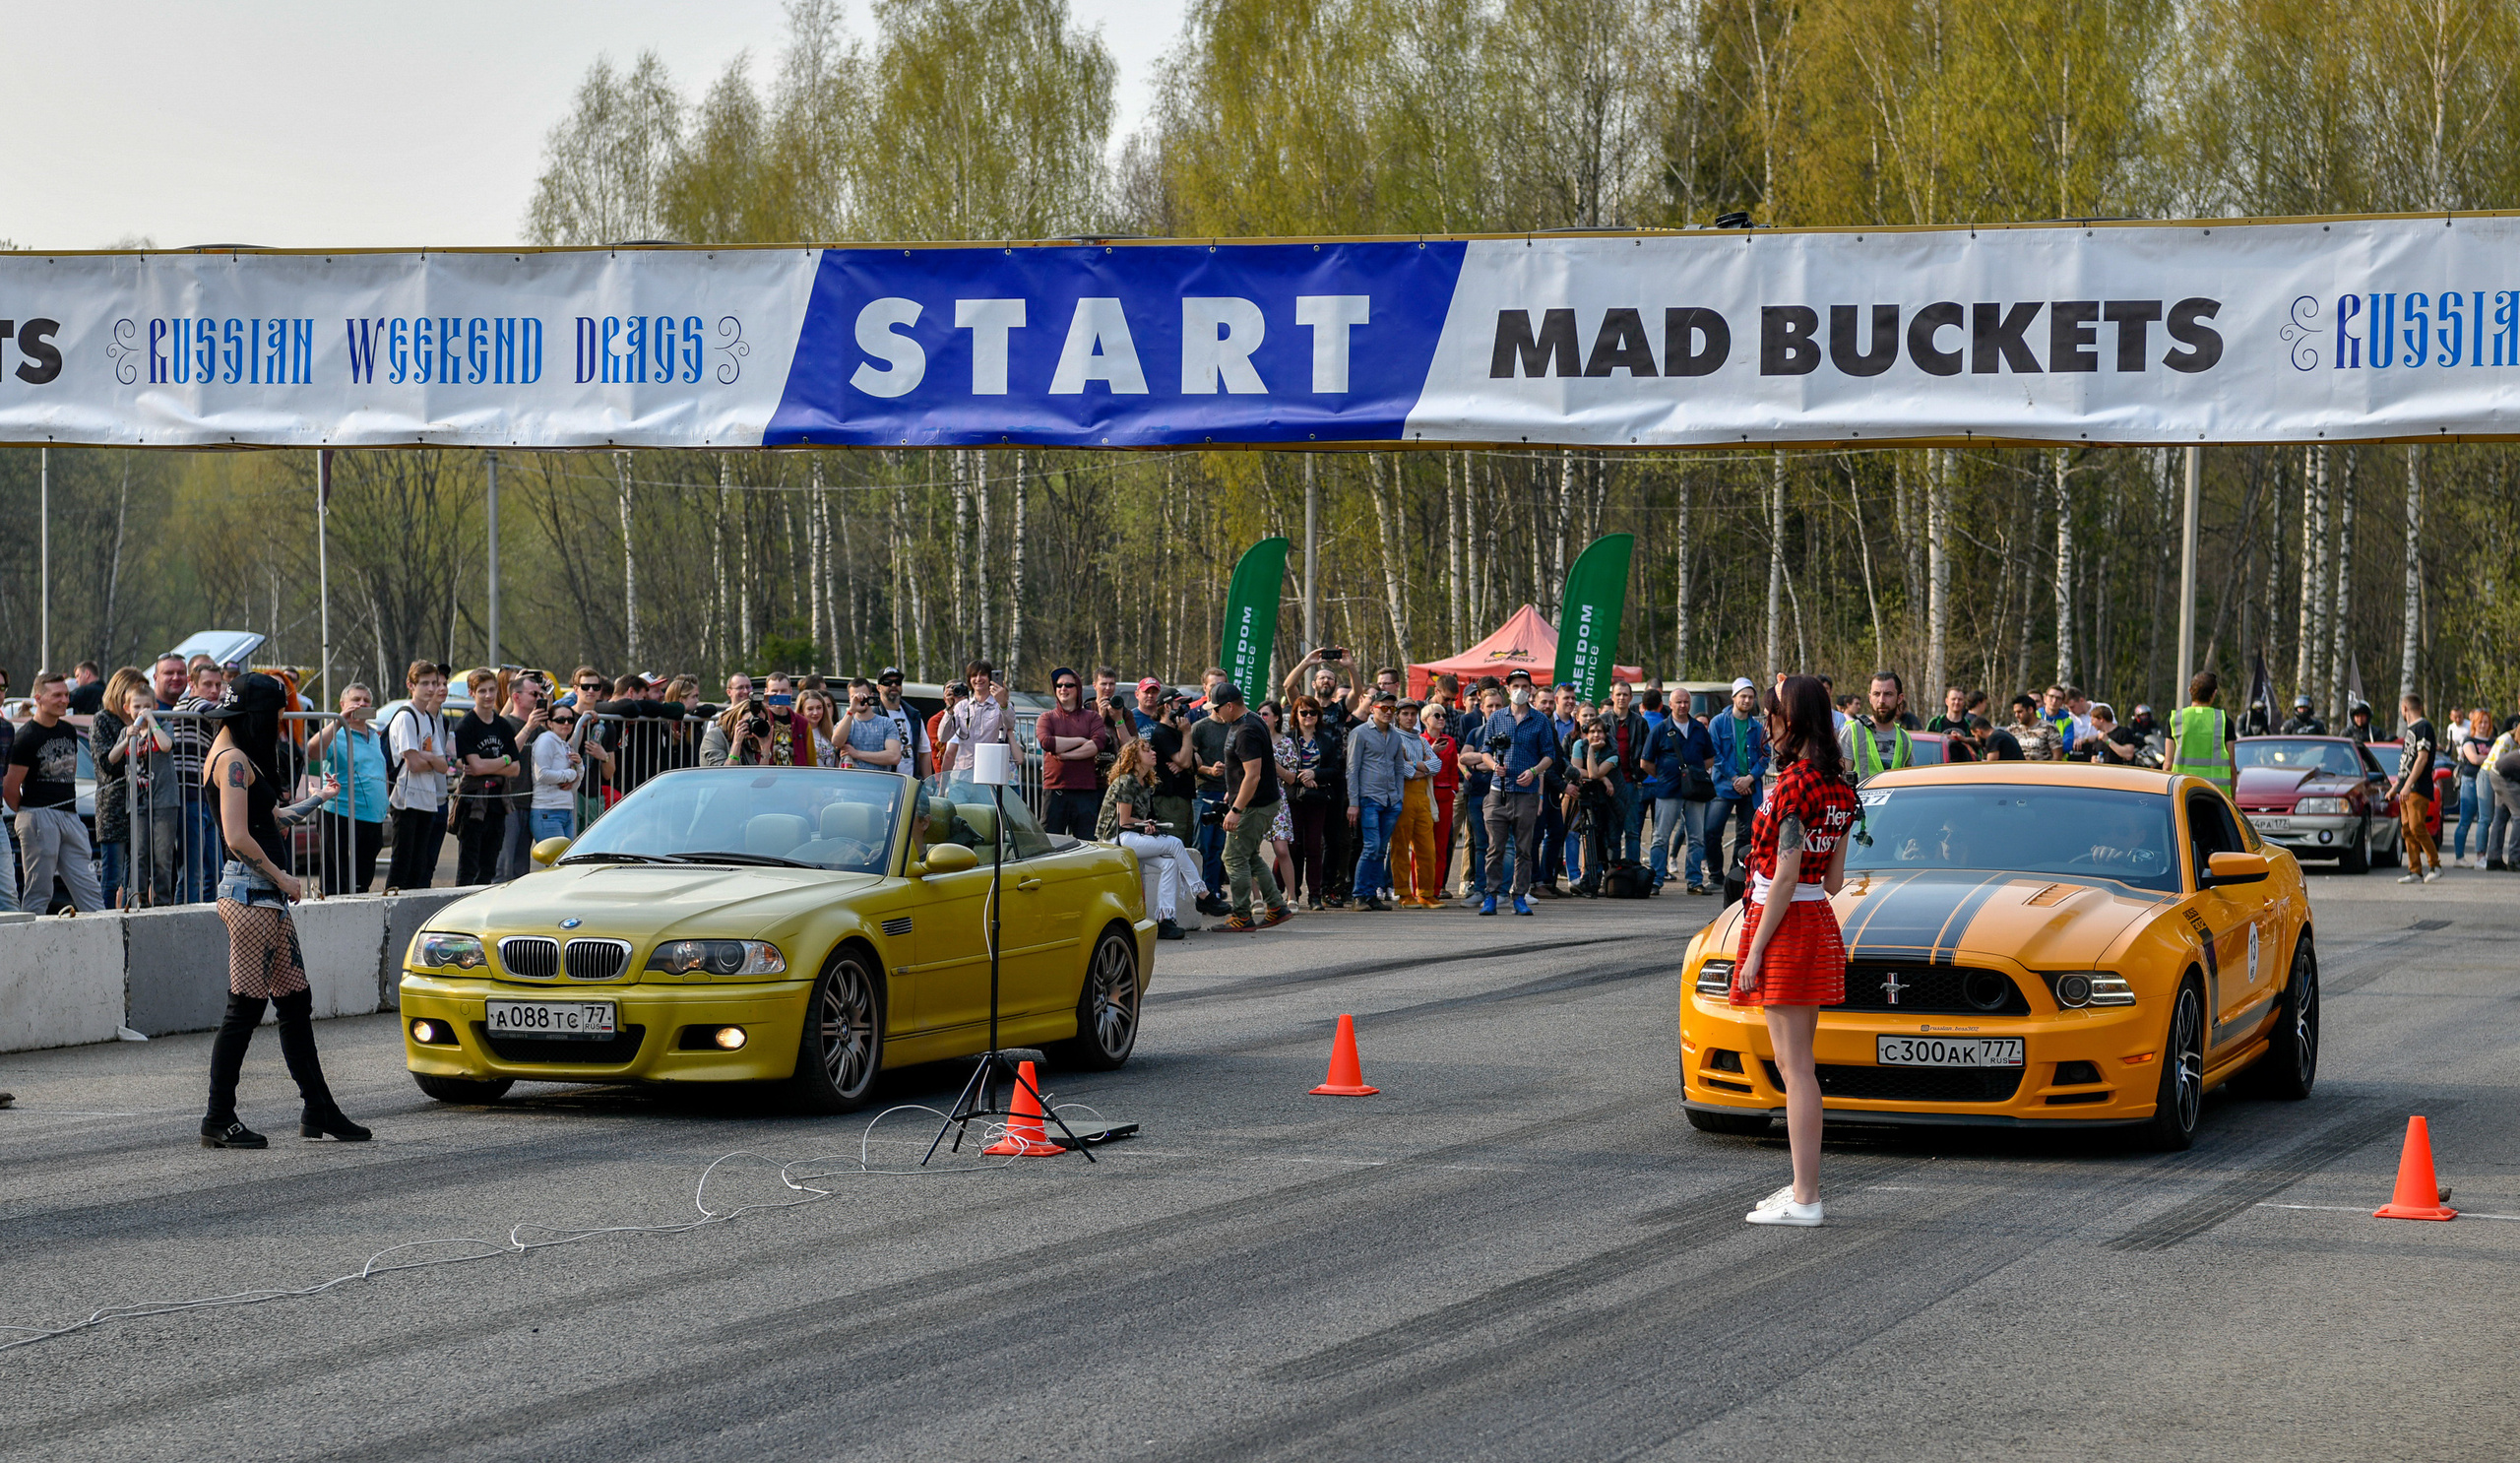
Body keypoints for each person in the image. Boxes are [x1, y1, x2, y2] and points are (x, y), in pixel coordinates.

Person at [195, 672, 368, 1149]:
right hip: (251, 895)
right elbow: (236, 836)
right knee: (244, 1009)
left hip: (263, 897)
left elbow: (271, 817)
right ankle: (218, 1117)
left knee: (295, 1003)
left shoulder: (236, 754)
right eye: (273, 717)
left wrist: (319, 799)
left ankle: (319, 1108)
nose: (275, 727)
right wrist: (284, 877)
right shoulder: (231, 760)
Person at [1732, 675, 1861, 1229]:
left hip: (1782, 922)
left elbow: (1784, 875)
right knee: (1797, 1066)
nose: (1768, 724)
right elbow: (1831, 880)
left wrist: (1755, 950)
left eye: (1775, 714)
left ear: (1794, 720)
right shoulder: (1839, 786)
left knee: (1796, 1068)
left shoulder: (1793, 785)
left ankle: (1806, 1196)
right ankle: (1802, 1184)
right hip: (1815, 919)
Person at [7, 670, 102, 913]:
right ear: (38, 698)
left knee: (89, 885)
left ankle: (105, 936)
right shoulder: (26, 737)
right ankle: (30, 943)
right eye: (57, 695)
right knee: (39, 889)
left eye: (66, 695)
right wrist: (32, 813)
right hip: (38, 815)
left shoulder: (68, 731)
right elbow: (10, 787)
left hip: (70, 815)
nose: (64, 700)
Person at [1098, 737, 1203, 940]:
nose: (1153, 753)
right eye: (1146, 751)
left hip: (1130, 835)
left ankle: (1165, 918)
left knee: (1169, 863)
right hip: (1115, 838)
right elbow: (1125, 821)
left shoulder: (1144, 782)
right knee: (1174, 843)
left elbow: (1135, 821)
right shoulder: (1126, 780)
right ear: (1135, 758)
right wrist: (1144, 824)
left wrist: (1148, 825)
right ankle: (1200, 891)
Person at [1212, 683, 1292, 931]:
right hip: (1262, 802)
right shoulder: (1253, 719)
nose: (1216, 713)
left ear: (1229, 705)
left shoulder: (1246, 730)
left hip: (1253, 806)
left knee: (1233, 857)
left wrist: (1236, 810)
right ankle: (1277, 907)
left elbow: (1253, 775)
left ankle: (1242, 915)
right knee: (1249, 855)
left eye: (1217, 708)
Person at [1480, 676, 1558, 916]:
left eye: (1525, 687)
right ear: (1508, 689)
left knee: (1524, 849)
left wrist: (1534, 771)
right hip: (1498, 792)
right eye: (1516, 687)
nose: (1520, 691)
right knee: (1495, 847)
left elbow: (1549, 755)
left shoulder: (1540, 721)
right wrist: (1494, 766)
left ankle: (1519, 896)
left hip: (1526, 793)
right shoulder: (1496, 717)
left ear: (1530, 690)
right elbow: (1485, 751)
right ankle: (1491, 896)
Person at [305, 682, 389, 895]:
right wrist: (339, 720)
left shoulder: (375, 736)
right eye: (356, 700)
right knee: (337, 877)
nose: (361, 704)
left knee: (363, 878)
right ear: (343, 704)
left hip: (372, 816)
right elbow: (312, 751)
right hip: (339, 813)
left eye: (366, 701)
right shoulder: (336, 733)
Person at [450, 669, 523, 886]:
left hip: (498, 801)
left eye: (492, 690)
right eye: (482, 691)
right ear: (472, 692)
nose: (489, 695)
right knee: (469, 867)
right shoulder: (467, 725)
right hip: (473, 803)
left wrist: (504, 763)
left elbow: (516, 769)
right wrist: (506, 760)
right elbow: (477, 768)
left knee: (489, 867)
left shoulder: (503, 726)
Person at [385, 662, 454, 891]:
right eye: (424, 683)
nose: (431, 688)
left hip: (426, 798)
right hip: (406, 800)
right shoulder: (407, 716)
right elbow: (413, 764)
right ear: (411, 685)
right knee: (402, 864)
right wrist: (429, 759)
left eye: (434, 683)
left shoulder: (429, 718)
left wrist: (428, 758)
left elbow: (443, 766)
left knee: (419, 865)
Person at [1346, 692, 1415, 912]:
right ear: (1373, 708)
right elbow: (1352, 769)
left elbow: (1398, 768)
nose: (1387, 712)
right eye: (1383, 708)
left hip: (1391, 800)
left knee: (1381, 849)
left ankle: (1371, 895)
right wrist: (1353, 802)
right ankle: (1359, 895)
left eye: (1391, 709)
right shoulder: (1360, 733)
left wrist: (1399, 798)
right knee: (1371, 846)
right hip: (1369, 799)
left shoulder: (1395, 736)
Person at [116, 674, 181, 906]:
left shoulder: (164, 726)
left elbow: (166, 745)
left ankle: (163, 902)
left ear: (154, 706)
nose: (142, 711)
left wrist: (152, 722)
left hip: (164, 800)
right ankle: (140, 901)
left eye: (147, 706)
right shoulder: (127, 731)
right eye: (137, 707)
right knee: (140, 854)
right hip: (138, 802)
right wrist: (127, 740)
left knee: (162, 856)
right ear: (127, 708)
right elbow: (113, 757)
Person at [1644, 689, 1716, 894]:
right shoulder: (1660, 729)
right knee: (1660, 837)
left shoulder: (1699, 729)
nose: (1683, 706)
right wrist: (1665, 775)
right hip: (1668, 790)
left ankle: (1694, 881)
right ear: (1670, 704)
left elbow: (1710, 757)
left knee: (1696, 837)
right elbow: (1645, 762)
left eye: (1686, 702)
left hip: (1695, 792)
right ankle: (1656, 880)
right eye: (1679, 702)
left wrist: (1692, 775)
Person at [89, 667, 147, 909]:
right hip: (113, 808)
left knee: (137, 875)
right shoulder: (103, 719)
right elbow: (104, 763)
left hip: (141, 807)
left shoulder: (143, 722)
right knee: (112, 878)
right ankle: (108, 925)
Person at [1035, 668, 1114, 838]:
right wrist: (1080, 740)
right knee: (1051, 843)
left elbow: (1098, 744)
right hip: (1055, 789)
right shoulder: (1047, 717)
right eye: (1059, 685)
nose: (1063, 689)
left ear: (1077, 688)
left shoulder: (1092, 717)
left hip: (1085, 790)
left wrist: (1066, 755)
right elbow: (1047, 742)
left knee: (1087, 844)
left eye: (1069, 685)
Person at [1707, 677, 1768, 898]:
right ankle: (1715, 875)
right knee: (1712, 830)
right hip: (1724, 786)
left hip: (1750, 788)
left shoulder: (1757, 727)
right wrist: (1736, 779)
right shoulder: (1718, 723)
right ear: (1734, 697)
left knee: (1745, 834)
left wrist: (1749, 778)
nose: (1747, 700)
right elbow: (1716, 754)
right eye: (1743, 696)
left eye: (1751, 697)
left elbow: (1764, 756)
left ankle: (1735, 874)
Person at [1284, 696, 1341, 910]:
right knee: (1294, 846)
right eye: (1303, 712)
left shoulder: (1326, 739)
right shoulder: (1288, 739)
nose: (1308, 717)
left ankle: (1315, 896)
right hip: (1293, 798)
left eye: (1313, 712)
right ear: (1295, 715)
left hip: (1318, 799)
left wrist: (1315, 774)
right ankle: (1293, 892)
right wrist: (1303, 777)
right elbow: (1281, 767)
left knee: (1314, 848)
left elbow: (1335, 769)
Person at [495, 674, 552, 882]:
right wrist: (527, 728)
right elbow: (506, 758)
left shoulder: (541, 729)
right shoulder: (504, 724)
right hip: (507, 802)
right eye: (533, 694)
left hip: (531, 803)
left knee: (521, 869)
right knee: (503, 867)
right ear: (516, 697)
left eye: (540, 694)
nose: (538, 698)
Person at [1390, 700, 1445, 907]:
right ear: (1398, 716)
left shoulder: (1421, 741)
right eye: (1405, 714)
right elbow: (1400, 768)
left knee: (1427, 849)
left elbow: (1437, 764)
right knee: (1400, 847)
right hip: (1402, 796)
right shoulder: (1394, 738)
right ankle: (1404, 892)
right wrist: (1418, 769)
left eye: (1413, 714)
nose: (1410, 718)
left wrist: (1414, 765)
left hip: (1423, 797)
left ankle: (1426, 893)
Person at [1564, 718, 1624, 896]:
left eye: (1599, 731)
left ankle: (1612, 879)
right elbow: (1576, 770)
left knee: (1612, 840)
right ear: (1585, 733)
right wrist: (1603, 778)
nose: (1596, 735)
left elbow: (1592, 773)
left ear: (1606, 733)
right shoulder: (1579, 745)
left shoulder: (1612, 750)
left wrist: (1591, 755)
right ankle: (1591, 877)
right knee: (1590, 837)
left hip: (1612, 800)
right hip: (1591, 796)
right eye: (1592, 732)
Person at [1188, 686, 1236, 912]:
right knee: (1202, 846)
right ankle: (1200, 894)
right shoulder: (1199, 728)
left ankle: (1214, 892)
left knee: (1219, 847)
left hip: (1230, 793)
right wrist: (1209, 769)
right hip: (1205, 792)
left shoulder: (1236, 727)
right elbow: (1190, 762)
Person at [2392, 693, 2442, 884]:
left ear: (2405, 709)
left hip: (2417, 788)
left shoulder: (2423, 727)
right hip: (2405, 788)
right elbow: (2407, 762)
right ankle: (2415, 870)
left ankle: (2435, 865)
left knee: (2417, 827)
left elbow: (2422, 758)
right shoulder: (2410, 731)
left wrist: (2408, 785)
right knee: (2406, 829)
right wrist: (2396, 787)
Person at [2165, 671, 2235, 796]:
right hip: (2217, 795)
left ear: (2190, 690)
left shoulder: (2175, 719)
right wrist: (2232, 803)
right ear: (2214, 693)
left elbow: (2168, 765)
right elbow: (2232, 768)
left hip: (2182, 792)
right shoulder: (2224, 721)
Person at [1838, 670, 1916, 782]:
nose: (1881, 701)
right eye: (1876, 694)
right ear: (1870, 698)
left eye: (1888, 694)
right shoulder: (1852, 731)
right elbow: (1841, 781)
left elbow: (1908, 783)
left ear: (1899, 698)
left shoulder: (1905, 739)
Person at [941, 660, 1014, 778]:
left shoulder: (1001, 705)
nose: (978, 679)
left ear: (990, 678)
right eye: (974, 675)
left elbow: (1010, 724)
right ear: (969, 679)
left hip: (988, 775)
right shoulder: (962, 706)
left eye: (983, 675)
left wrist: (1003, 703)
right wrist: (949, 709)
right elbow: (943, 737)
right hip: (962, 775)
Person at [1258, 701, 1299, 894]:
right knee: (1250, 851)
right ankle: (1257, 898)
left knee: (1282, 850)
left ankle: (1291, 896)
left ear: (1276, 717)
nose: (1261, 718)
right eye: (1258, 714)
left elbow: (1291, 778)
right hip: (1253, 797)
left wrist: (1273, 765)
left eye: (1265, 714)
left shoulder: (1286, 743)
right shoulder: (1252, 740)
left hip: (1276, 798)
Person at [531, 699, 582, 843]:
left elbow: (575, 784)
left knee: (564, 861)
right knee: (555, 861)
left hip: (566, 809)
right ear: (550, 723)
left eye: (570, 720)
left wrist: (579, 766)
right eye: (560, 720)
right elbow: (542, 774)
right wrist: (570, 774)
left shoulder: (564, 745)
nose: (566, 723)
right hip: (547, 810)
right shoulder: (546, 740)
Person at [873, 668, 931, 779]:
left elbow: (924, 751)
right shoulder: (874, 715)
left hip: (910, 783)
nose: (893, 685)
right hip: (884, 782)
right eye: (887, 683)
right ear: (878, 687)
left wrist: (928, 785)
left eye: (898, 682)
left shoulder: (913, 715)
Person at [2453, 708, 2491, 866]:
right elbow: (2474, 759)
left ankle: (2481, 857)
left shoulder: (2494, 741)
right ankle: (2459, 858)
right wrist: (2492, 757)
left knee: (2484, 820)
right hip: (2470, 781)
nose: (2483, 725)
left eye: (2486, 722)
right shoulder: (2469, 740)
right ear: (2474, 724)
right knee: (2465, 820)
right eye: (2480, 722)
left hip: (2488, 781)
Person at [2012, 693, 2063, 761]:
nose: (2016, 715)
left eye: (2020, 712)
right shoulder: (2012, 730)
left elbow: (2057, 756)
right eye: (2015, 712)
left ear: (2030, 710)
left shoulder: (2049, 728)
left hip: (2042, 769)